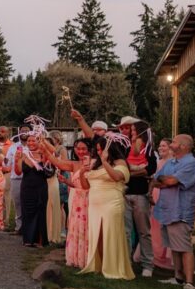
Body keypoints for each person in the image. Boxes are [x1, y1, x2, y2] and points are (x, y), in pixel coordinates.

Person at [152, 134, 195, 289]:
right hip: (167, 210)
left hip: (180, 211)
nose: (171, 143)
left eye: (173, 141)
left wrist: (167, 180)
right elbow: (156, 181)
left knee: (185, 247)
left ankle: (189, 282)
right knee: (174, 246)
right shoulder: (171, 162)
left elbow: (171, 181)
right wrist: (165, 180)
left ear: (183, 146)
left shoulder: (192, 163)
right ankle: (178, 277)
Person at [79, 137, 135, 280]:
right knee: (97, 235)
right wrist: (81, 172)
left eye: (101, 149)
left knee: (110, 234)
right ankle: (100, 265)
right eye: (97, 150)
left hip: (111, 202)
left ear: (109, 149)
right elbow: (86, 186)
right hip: (94, 204)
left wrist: (104, 162)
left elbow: (117, 177)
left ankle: (113, 266)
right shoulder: (96, 164)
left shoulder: (120, 162)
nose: (98, 152)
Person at [119, 117, 157, 277]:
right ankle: (126, 262)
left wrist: (132, 173)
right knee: (126, 231)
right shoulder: (127, 148)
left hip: (141, 194)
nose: (131, 133)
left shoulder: (148, 150)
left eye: (134, 131)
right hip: (126, 193)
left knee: (143, 231)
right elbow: (123, 168)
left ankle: (148, 264)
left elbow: (151, 169)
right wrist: (138, 172)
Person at [46, 137, 91, 268]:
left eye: (84, 149)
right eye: (78, 149)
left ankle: (86, 258)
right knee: (75, 226)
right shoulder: (75, 164)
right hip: (76, 199)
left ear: (90, 149)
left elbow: (87, 185)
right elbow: (58, 163)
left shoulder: (94, 164)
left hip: (89, 199)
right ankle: (76, 257)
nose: (80, 151)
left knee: (86, 227)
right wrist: (44, 150)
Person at [15, 133, 54, 247]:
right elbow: (18, 172)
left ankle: (40, 240)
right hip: (26, 187)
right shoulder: (23, 154)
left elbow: (54, 152)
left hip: (40, 187)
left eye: (33, 141)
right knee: (27, 212)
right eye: (29, 141)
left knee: (41, 212)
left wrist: (44, 142)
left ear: (38, 142)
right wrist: (17, 160)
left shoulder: (44, 154)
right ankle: (28, 239)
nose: (31, 143)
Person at [148, 138, 175, 272]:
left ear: (170, 148)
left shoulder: (173, 163)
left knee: (165, 225)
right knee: (154, 225)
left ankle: (167, 257)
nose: (160, 148)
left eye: (164, 146)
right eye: (159, 146)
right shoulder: (158, 162)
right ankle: (156, 254)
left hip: (167, 195)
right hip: (155, 194)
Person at [4, 125, 31, 232]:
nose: (24, 132)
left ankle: (29, 228)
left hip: (29, 178)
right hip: (16, 178)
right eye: (22, 130)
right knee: (17, 203)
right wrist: (3, 158)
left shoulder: (33, 145)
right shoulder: (13, 147)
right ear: (19, 132)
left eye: (27, 131)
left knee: (28, 203)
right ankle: (19, 227)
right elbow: (6, 162)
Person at [45, 131, 66, 245]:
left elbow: (62, 165)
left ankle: (54, 233)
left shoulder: (56, 155)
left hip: (53, 181)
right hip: (43, 183)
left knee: (55, 207)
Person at [0, 126, 13, 228]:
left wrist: (1, 153)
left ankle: (6, 220)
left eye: (2, 131)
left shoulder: (12, 145)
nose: (0, 133)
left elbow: (9, 161)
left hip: (6, 173)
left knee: (6, 196)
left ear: (7, 133)